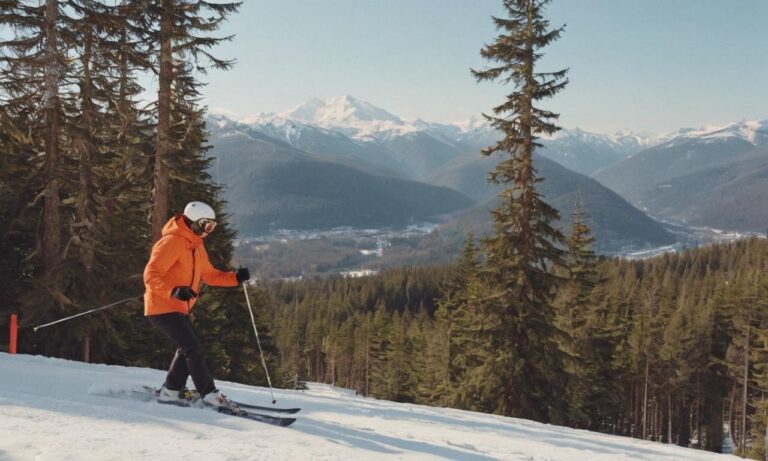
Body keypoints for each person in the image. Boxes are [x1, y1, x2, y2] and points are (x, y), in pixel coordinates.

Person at [143, 201, 250, 409]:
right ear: (193, 222)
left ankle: (171, 390)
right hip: (162, 306)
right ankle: (208, 393)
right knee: (193, 348)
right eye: (206, 225)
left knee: (188, 348)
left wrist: (235, 277)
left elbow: (209, 275)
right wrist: (173, 290)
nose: (208, 231)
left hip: (178, 307)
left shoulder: (196, 245)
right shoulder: (172, 242)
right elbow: (150, 274)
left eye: (212, 226)